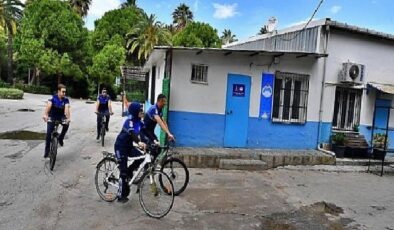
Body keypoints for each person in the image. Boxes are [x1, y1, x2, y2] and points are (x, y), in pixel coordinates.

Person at [114, 102, 146, 203]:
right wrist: (139, 142)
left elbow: (144, 134)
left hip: (129, 147)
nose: (142, 112)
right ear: (135, 111)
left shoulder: (140, 122)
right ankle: (120, 195)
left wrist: (152, 142)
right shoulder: (129, 121)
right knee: (123, 172)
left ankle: (129, 171)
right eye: (140, 110)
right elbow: (133, 134)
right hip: (120, 146)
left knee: (142, 157)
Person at [42, 84, 71, 158]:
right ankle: (47, 151)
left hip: (61, 117)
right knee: (49, 133)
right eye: (63, 92)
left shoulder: (65, 100)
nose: (64, 93)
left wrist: (68, 118)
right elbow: (49, 105)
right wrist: (45, 115)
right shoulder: (53, 98)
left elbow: (67, 109)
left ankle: (61, 138)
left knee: (66, 125)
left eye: (65, 92)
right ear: (58, 91)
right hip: (52, 116)